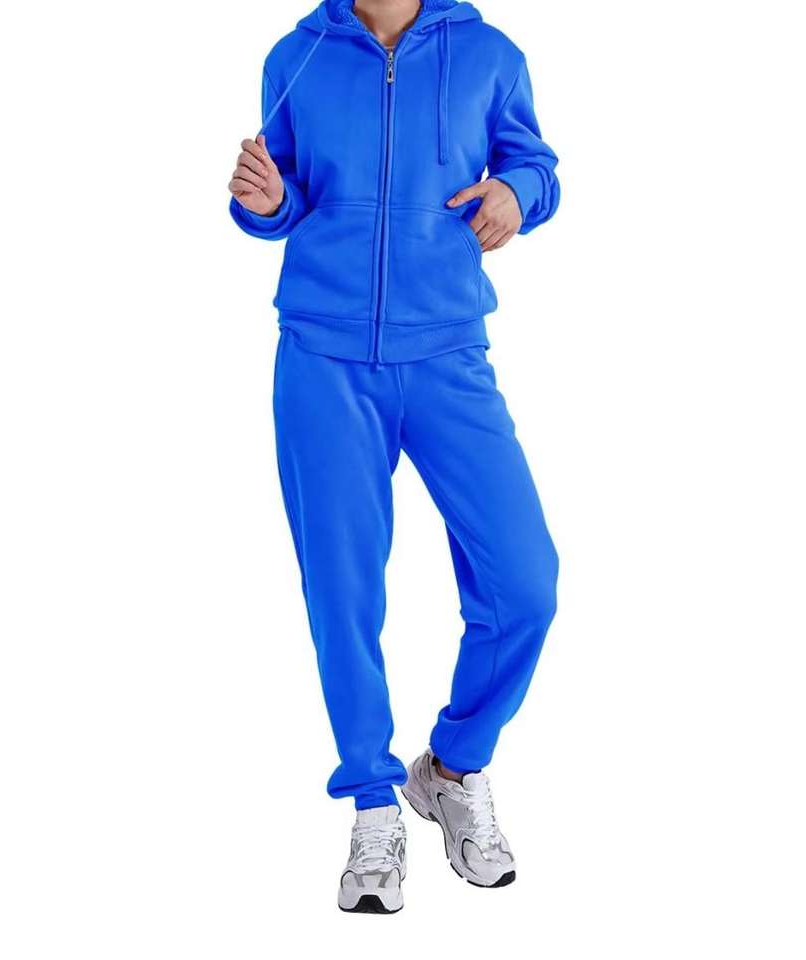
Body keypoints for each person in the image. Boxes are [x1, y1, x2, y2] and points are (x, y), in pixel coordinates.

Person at [228, 0, 559, 914]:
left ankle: (450, 768)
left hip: (448, 351)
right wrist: (265, 203)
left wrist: (516, 194)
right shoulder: (296, 55)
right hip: (324, 357)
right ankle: (373, 799)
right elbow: (283, 198)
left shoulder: (489, 53)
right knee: (343, 593)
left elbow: (536, 167)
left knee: (526, 582)